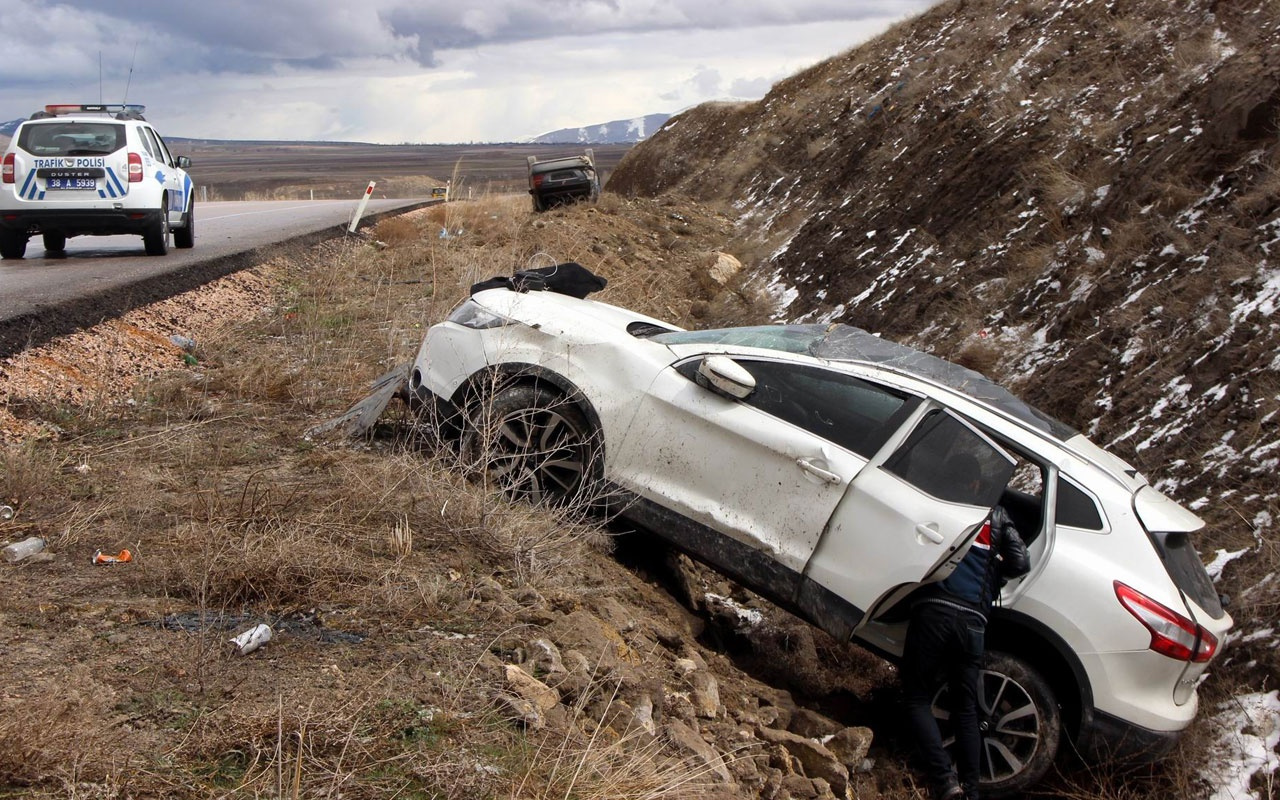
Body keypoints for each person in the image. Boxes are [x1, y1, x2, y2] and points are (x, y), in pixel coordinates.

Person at [901, 454, 1031, 800]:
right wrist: (992, 574)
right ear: (978, 482)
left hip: (935, 611)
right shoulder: (997, 515)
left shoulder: (944, 502)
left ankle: (945, 781)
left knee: (916, 697)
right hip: (974, 621)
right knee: (966, 708)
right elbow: (1021, 562)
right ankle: (970, 791)